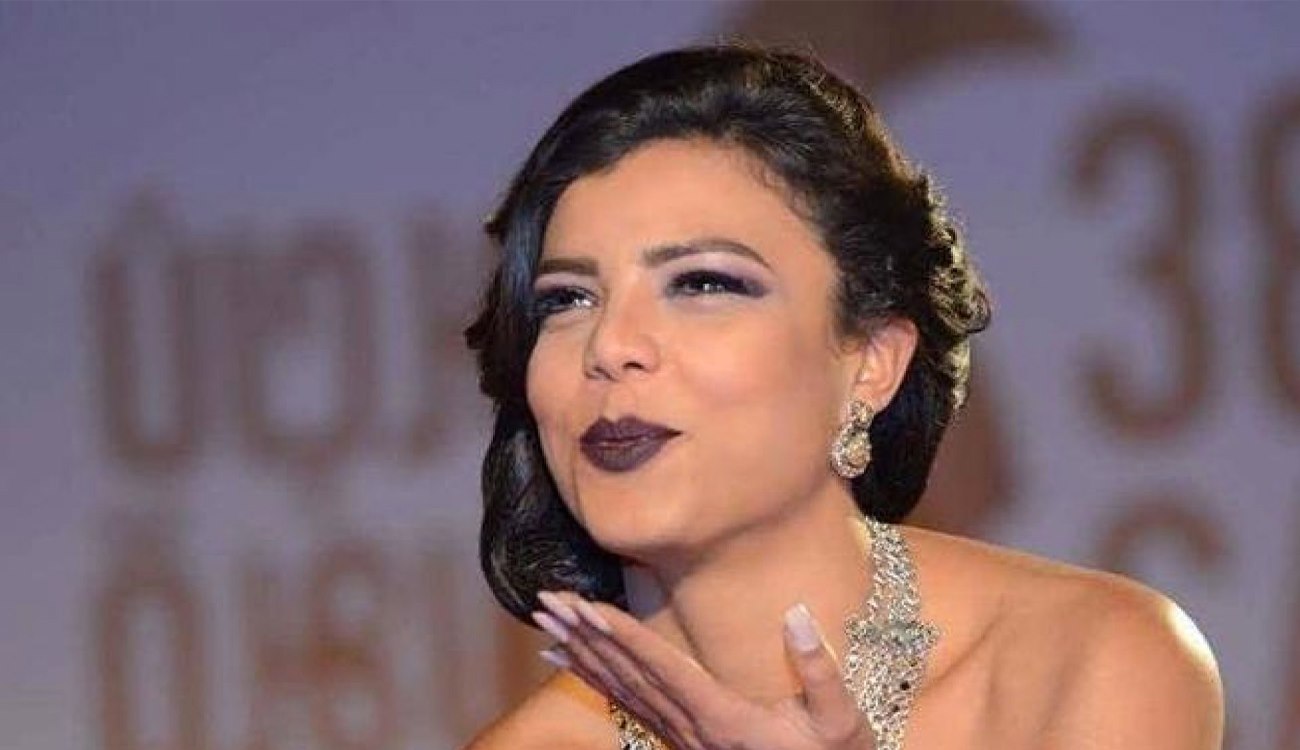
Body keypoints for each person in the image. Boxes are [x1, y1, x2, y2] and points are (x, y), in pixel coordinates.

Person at [462, 44, 1223, 750]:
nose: (609, 346)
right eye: (567, 299)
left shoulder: (1090, 661)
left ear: (872, 362)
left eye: (703, 283)